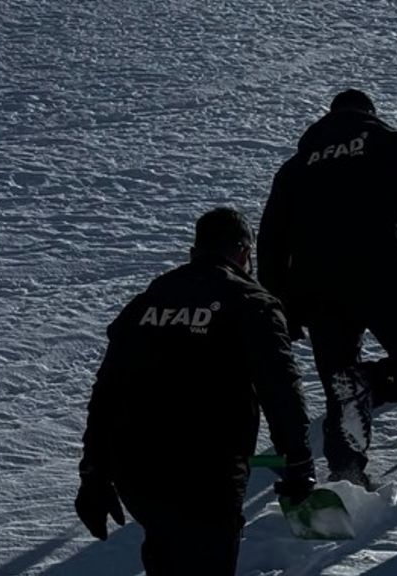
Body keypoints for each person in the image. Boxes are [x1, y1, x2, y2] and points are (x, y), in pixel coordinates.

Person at [75, 207, 316, 575]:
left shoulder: (146, 303)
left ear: (195, 251)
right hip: (207, 472)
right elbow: (279, 388)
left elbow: (106, 390)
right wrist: (298, 462)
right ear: (243, 253)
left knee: (167, 556)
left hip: (137, 470)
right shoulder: (251, 303)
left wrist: (94, 473)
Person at [257, 89, 397, 489]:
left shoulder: (296, 166)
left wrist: (280, 305)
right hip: (385, 275)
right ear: (370, 113)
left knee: (341, 383)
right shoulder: (390, 144)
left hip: (318, 289)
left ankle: (346, 470)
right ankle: (366, 394)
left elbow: (269, 242)